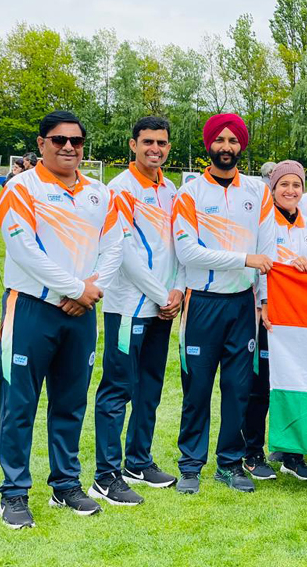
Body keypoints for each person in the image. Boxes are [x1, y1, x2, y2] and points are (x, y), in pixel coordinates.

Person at [0, 111, 122, 529]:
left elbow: (114, 248)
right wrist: (72, 288)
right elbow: (24, 250)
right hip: (31, 308)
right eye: (58, 139)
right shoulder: (20, 188)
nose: (68, 147)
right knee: (19, 404)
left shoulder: (99, 194)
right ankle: (13, 493)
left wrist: (88, 291)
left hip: (81, 312)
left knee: (70, 402)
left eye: (76, 140)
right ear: (41, 143)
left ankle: (65, 485)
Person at [172, 113, 275, 495]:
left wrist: (263, 300)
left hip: (242, 306)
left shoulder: (257, 192)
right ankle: (190, 465)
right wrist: (241, 259)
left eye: (234, 141)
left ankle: (230, 464)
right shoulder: (191, 193)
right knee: (197, 388)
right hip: (202, 303)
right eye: (221, 140)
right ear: (209, 145)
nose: (227, 147)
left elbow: (268, 251)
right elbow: (187, 252)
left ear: (241, 146)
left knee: (238, 388)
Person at [89, 117, 184, 507]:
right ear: (133, 144)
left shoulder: (171, 188)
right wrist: (162, 294)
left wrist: (176, 289)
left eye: (161, 143)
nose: (155, 149)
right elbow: (123, 253)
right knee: (118, 388)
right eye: (148, 142)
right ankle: (105, 476)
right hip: (129, 306)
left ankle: (138, 461)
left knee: (150, 388)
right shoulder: (120, 189)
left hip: (163, 305)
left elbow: (178, 246)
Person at [242, 160, 307, 483]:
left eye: (296, 185)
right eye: (284, 185)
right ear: (273, 189)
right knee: (259, 388)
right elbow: (258, 266)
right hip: (267, 317)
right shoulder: (262, 222)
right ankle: (252, 452)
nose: (290, 191)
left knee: (296, 385)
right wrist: (263, 303)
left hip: (299, 321)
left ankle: (292, 454)